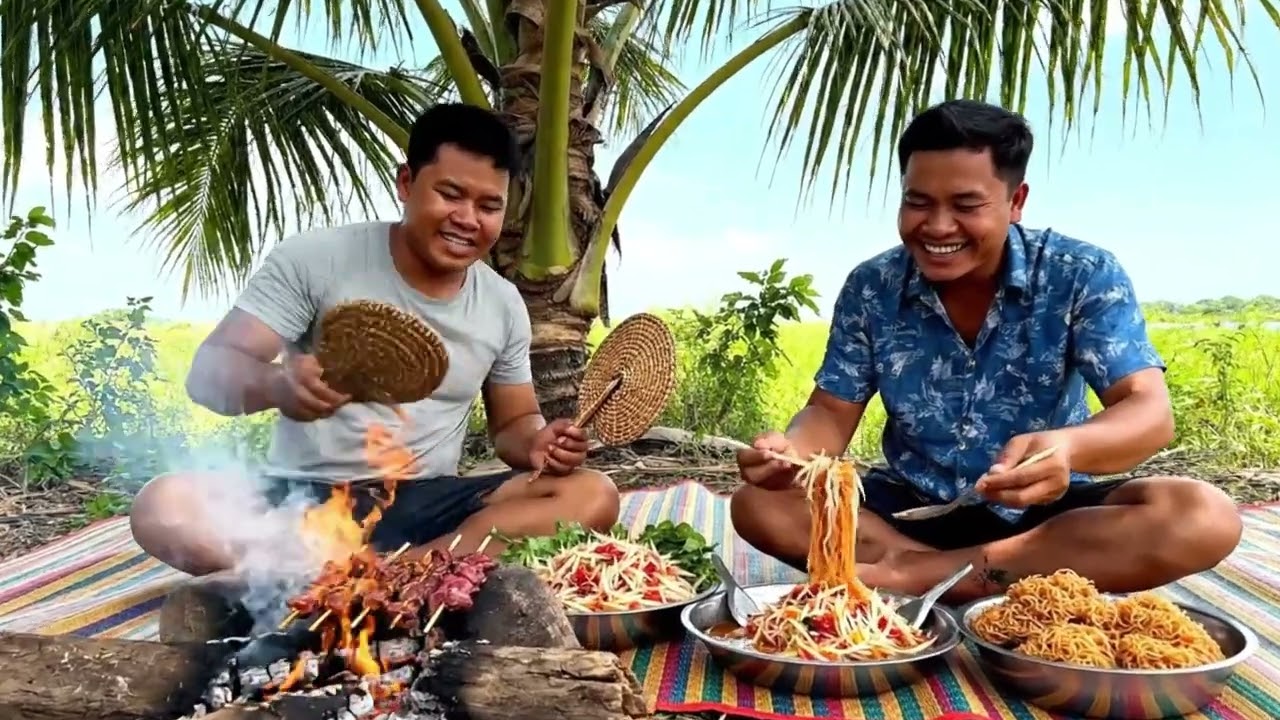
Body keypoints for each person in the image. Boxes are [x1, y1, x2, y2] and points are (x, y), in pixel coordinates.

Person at [731, 99, 1241, 602]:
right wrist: (793, 454)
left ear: (1016, 200)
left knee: (1203, 517)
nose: (937, 227)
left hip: (1045, 519)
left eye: (966, 206)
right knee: (760, 504)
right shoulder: (872, 286)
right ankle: (954, 573)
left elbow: (1149, 411)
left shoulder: (1080, 273)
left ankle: (920, 577)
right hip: (909, 512)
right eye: (918, 202)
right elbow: (829, 412)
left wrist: (1066, 448)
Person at [130, 103, 620, 576]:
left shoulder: (503, 303)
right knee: (163, 505)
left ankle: (382, 576)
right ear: (406, 183)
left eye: (489, 205)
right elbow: (209, 373)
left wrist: (538, 442)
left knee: (592, 495)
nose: (468, 219)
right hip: (297, 500)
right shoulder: (314, 260)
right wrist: (275, 384)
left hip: (426, 501)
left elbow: (513, 423)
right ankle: (394, 573)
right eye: (450, 194)